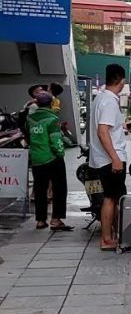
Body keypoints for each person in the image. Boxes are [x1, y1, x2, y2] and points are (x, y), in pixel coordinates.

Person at [89, 64, 128, 251]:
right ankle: (106, 238)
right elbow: (102, 131)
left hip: (101, 158)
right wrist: (115, 158)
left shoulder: (99, 98)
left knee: (113, 196)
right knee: (111, 198)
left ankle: (112, 235)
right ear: (121, 81)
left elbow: (107, 129)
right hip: (110, 160)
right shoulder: (110, 101)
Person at [27, 92, 72, 231]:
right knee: (59, 188)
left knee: (40, 189)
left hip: (36, 158)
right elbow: (55, 140)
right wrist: (61, 153)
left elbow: (28, 136)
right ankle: (56, 219)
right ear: (51, 103)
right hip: (52, 158)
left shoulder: (30, 118)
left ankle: (40, 220)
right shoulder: (52, 118)